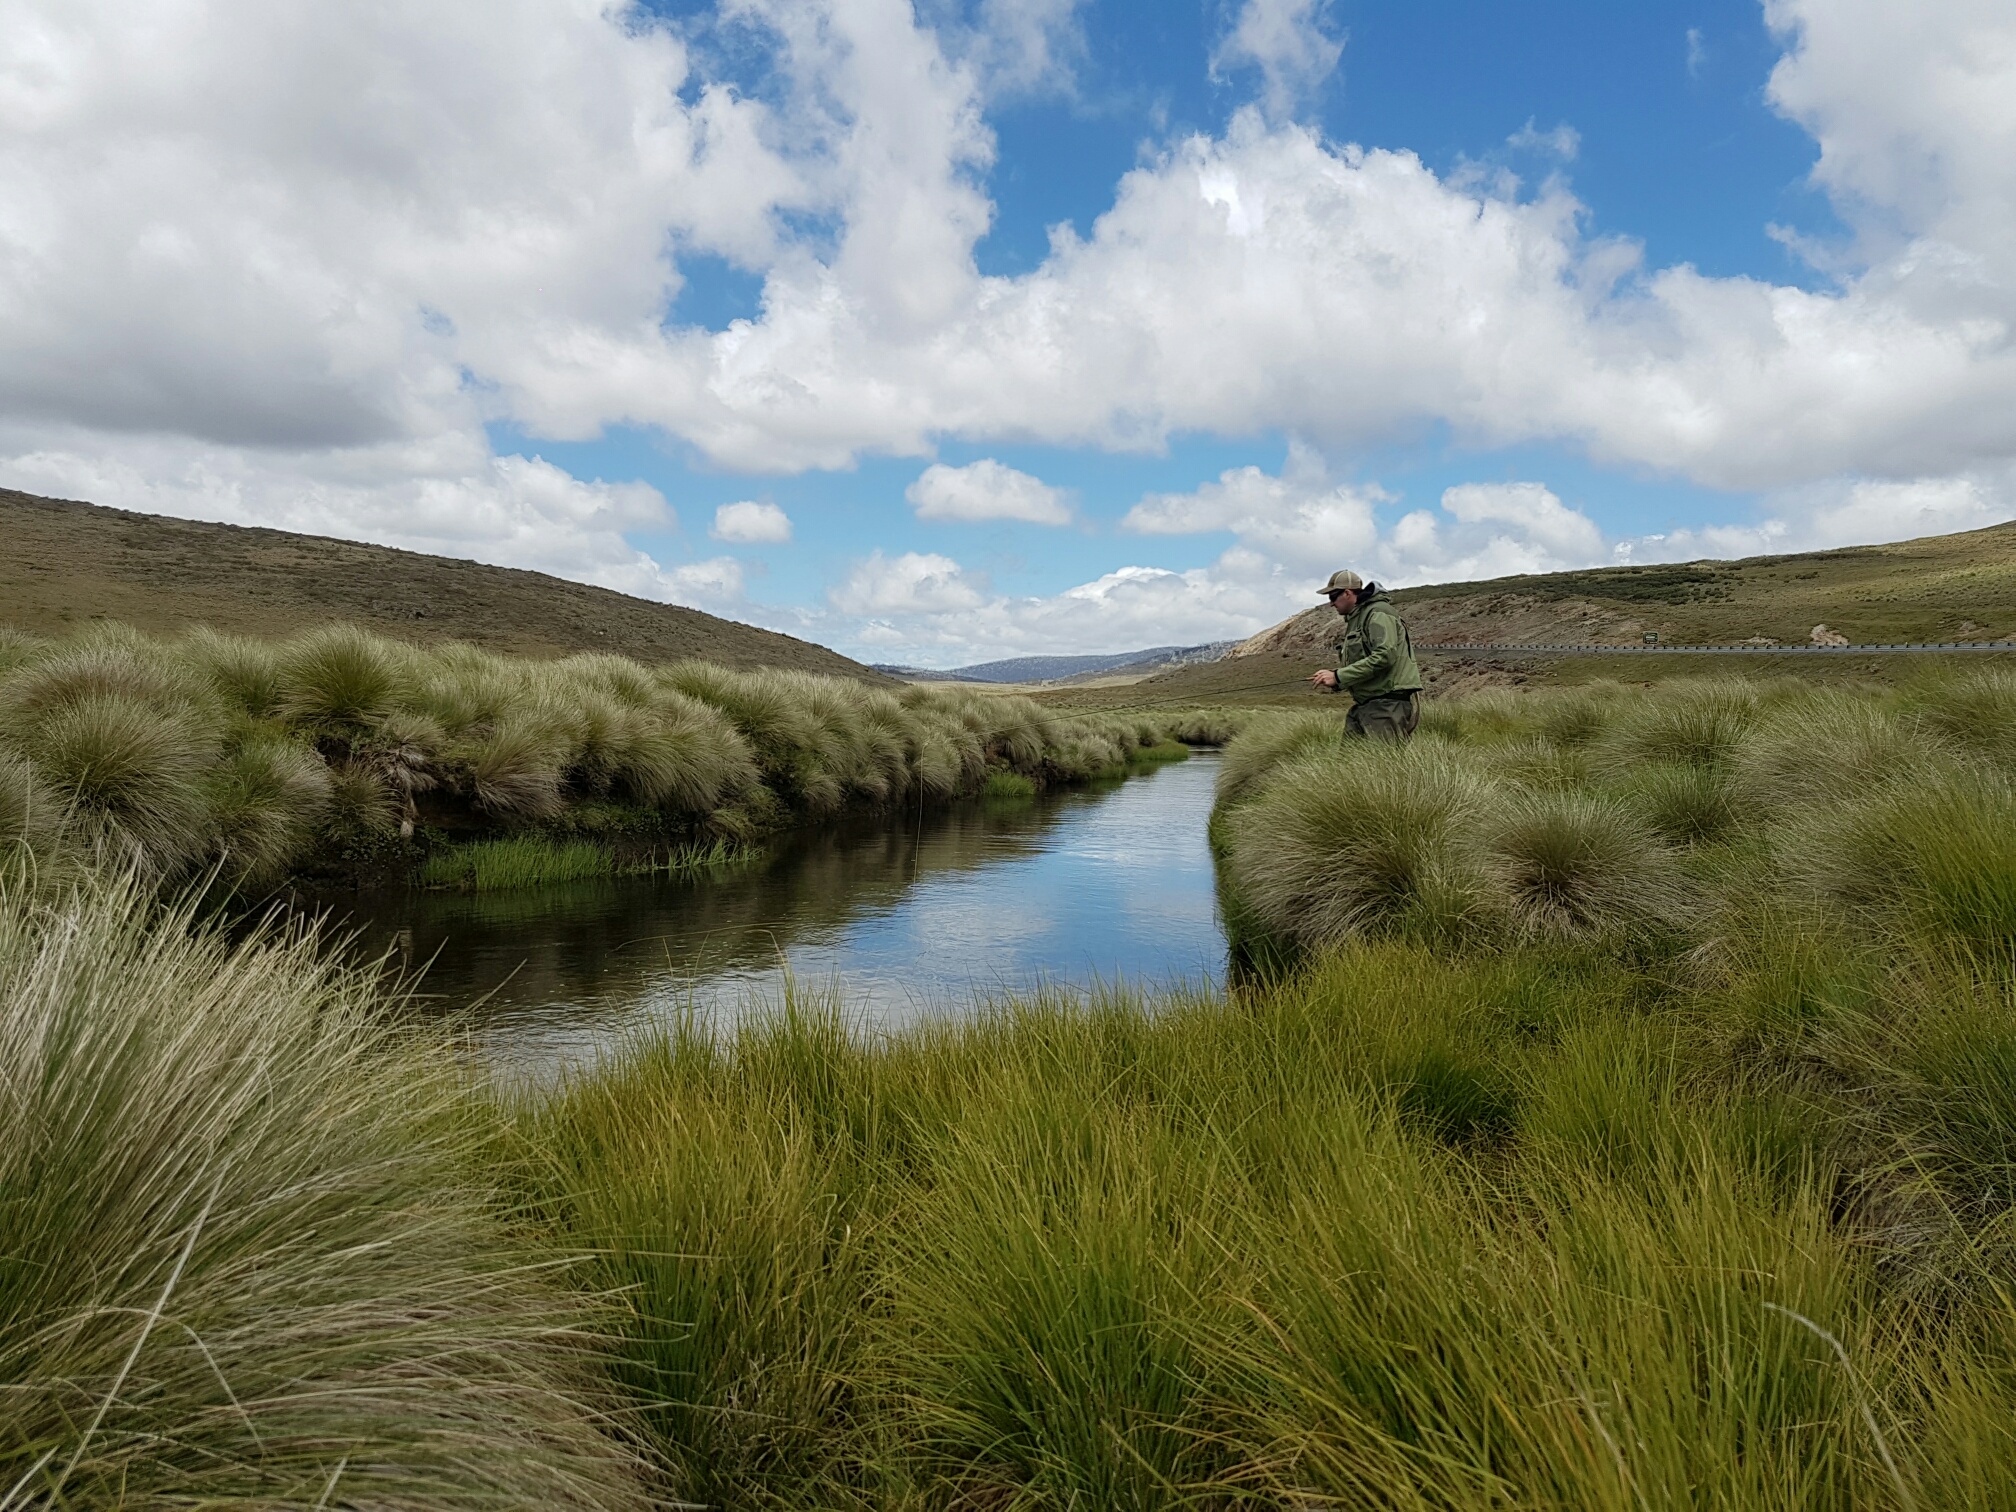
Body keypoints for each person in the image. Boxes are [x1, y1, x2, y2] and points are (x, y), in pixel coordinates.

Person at [1306, 569, 1423, 739]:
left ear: (1347, 593)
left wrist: (1338, 676)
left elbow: (1384, 656)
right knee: (1347, 765)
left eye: (1332, 597)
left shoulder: (1378, 613)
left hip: (1386, 706)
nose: (1331, 603)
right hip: (1367, 706)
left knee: (1381, 765)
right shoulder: (1358, 618)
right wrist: (1335, 679)